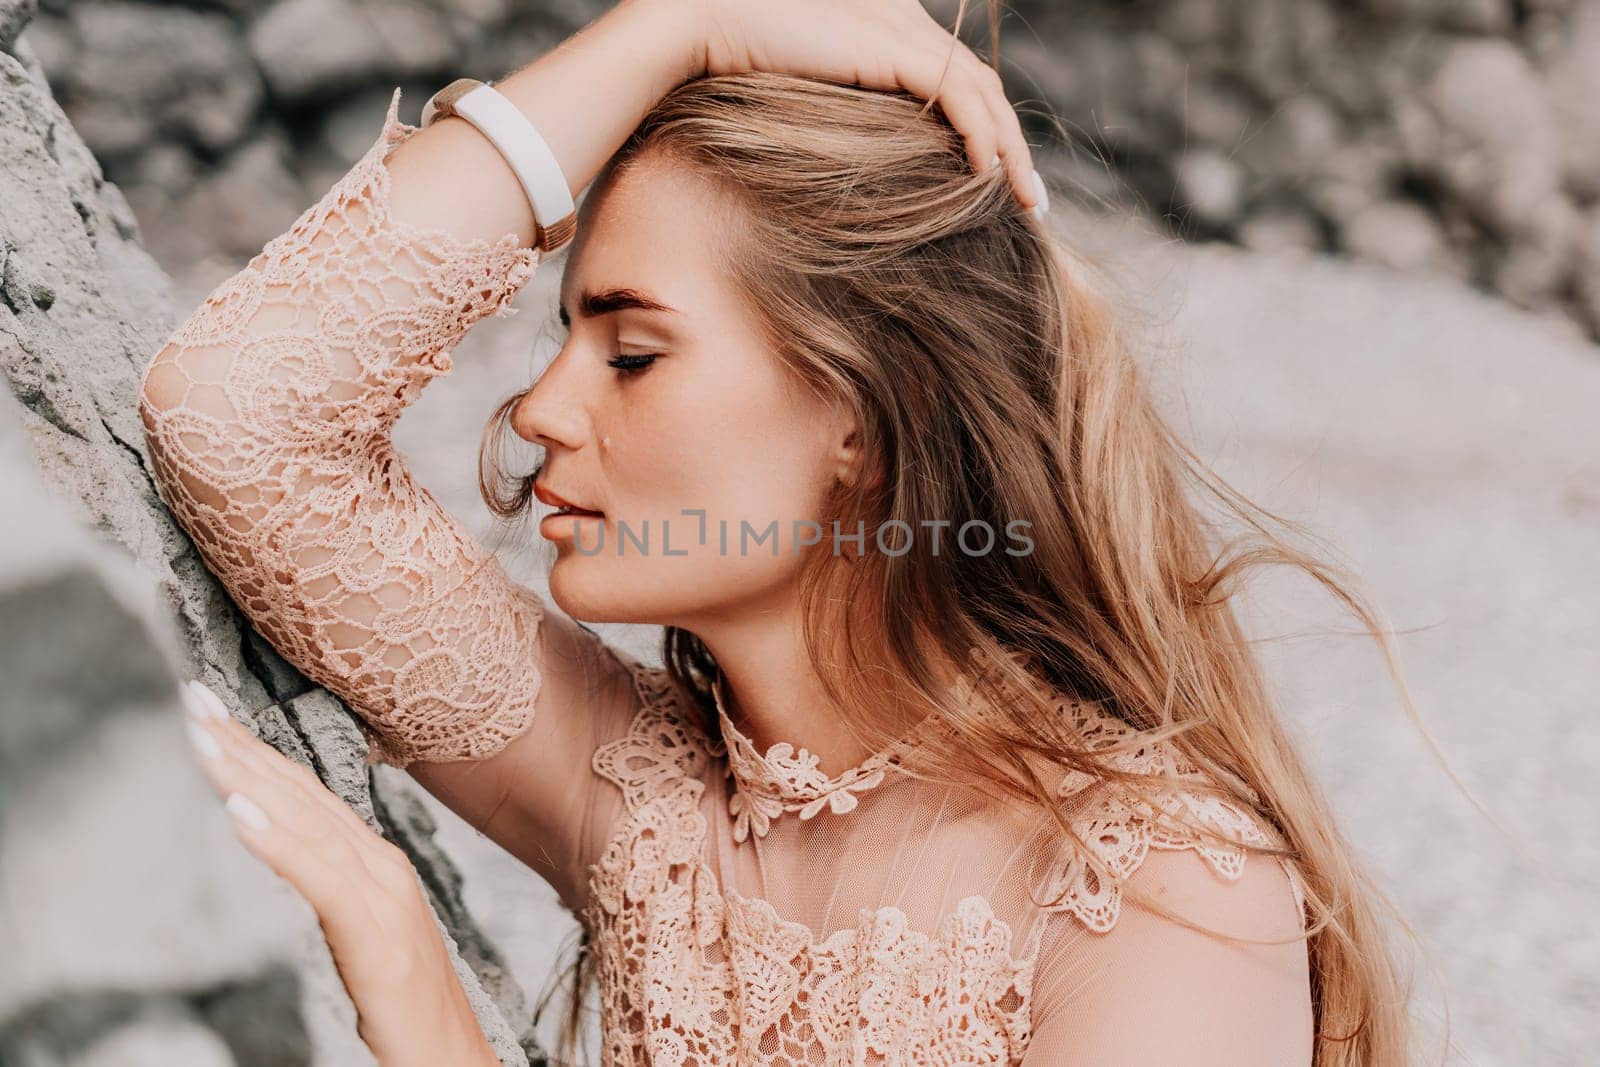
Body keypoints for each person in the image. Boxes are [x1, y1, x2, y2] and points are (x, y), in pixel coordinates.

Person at [142, 0, 1417, 1063]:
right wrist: (675, 25)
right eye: (563, 336)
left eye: (632, 354)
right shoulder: (642, 804)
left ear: (857, 421)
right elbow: (237, 417)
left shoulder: (1159, 888)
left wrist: (426, 1005)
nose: (539, 408)